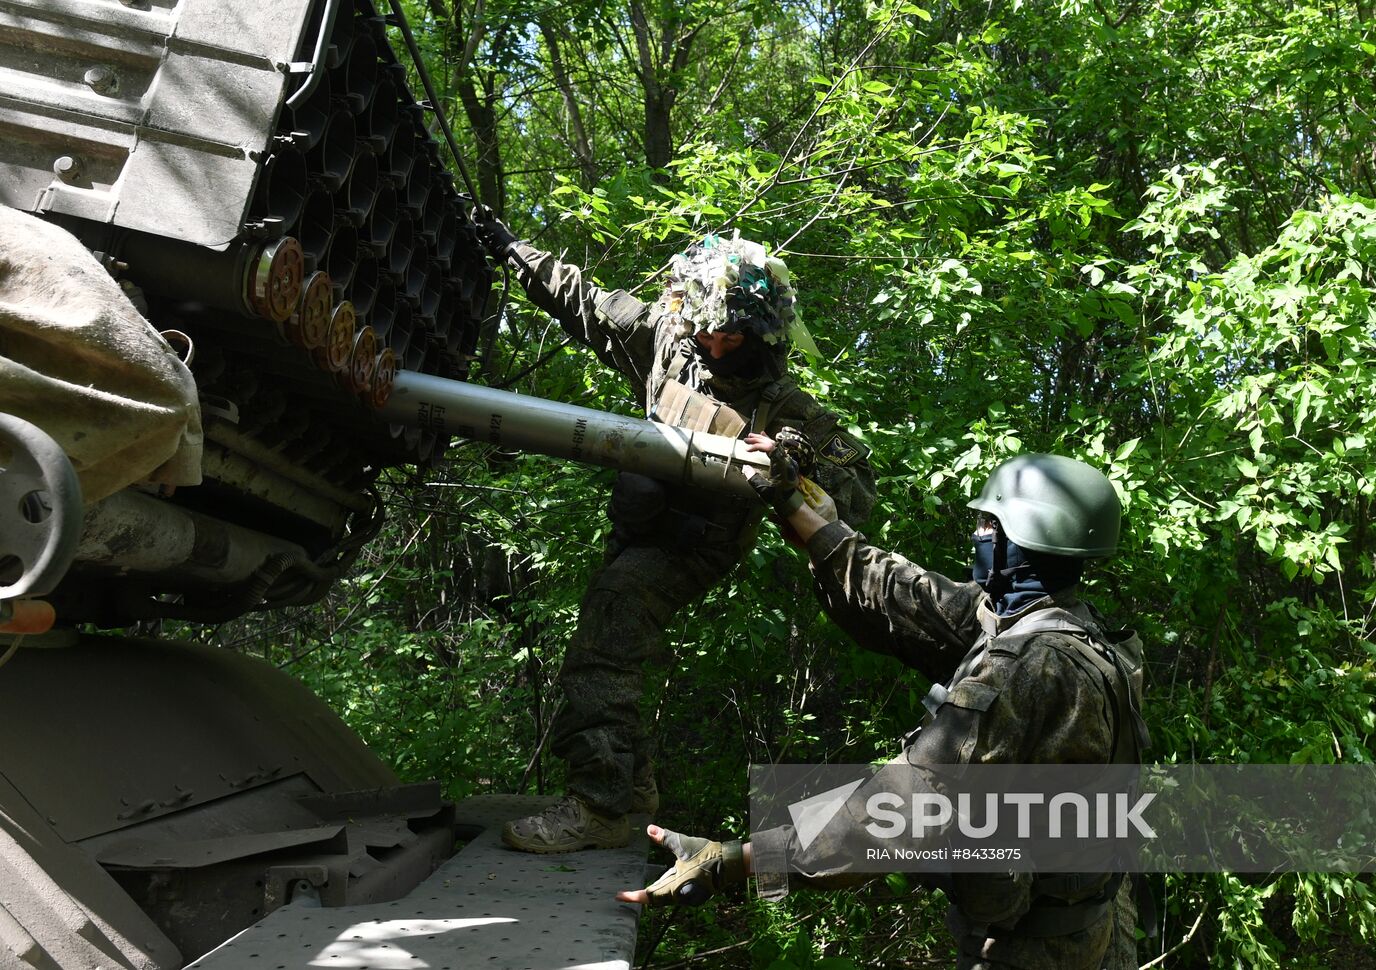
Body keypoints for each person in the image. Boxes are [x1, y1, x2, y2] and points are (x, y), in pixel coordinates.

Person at [618, 448, 1149, 970]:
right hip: (1094, 920)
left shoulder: (1029, 666)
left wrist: (733, 861)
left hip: (1037, 949)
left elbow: (897, 811)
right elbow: (904, 596)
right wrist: (798, 508)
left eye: (989, 522)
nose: (979, 532)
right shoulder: (1069, 628)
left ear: (1023, 539)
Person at [471, 211, 877, 852]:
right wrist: (509, 249)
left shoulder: (788, 407)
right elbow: (587, 303)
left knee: (604, 639)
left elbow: (858, 494)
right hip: (638, 525)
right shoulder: (667, 340)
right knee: (616, 637)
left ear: (761, 332)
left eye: (732, 338)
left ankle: (599, 806)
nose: (715, 348)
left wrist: (797, 463)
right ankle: (630, 785)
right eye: (707, 333)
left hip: (697, 545)